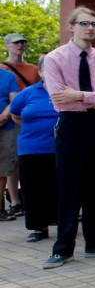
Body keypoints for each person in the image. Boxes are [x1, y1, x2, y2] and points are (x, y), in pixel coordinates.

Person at [42, 6, 95, 269]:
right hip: (72, 125)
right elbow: (57, 96)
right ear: (72, 26)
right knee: (69, 187)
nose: (91, 28)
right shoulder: (55, 58)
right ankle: (63, 248)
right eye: (85, 23)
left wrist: (79, 96)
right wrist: (93, 99)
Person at [9, 54, 58, 242]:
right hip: (31, 149)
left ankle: (61, 221)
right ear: (40, 71)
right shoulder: (28, 93)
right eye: (47, 67)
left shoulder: (65, 91)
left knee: (58, 188)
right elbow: (15, 115)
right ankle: (39, 227)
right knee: (33, 190)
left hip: (59, 149)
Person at [2, 33, 40, 220]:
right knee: (12, 160)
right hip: (13, 117)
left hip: (31, 117)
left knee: (26, 157)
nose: (20, 45)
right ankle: (15, 201)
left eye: (23, 42)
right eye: (16, 43)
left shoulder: (33, 69)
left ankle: (26, 197)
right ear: (7, 45)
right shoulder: (3, 69)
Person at [0, 64, 19, 221]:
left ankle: (0, 209)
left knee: (2, 168)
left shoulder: (8, 76)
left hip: (5, 126)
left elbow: (14, 101)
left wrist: (3, 116)